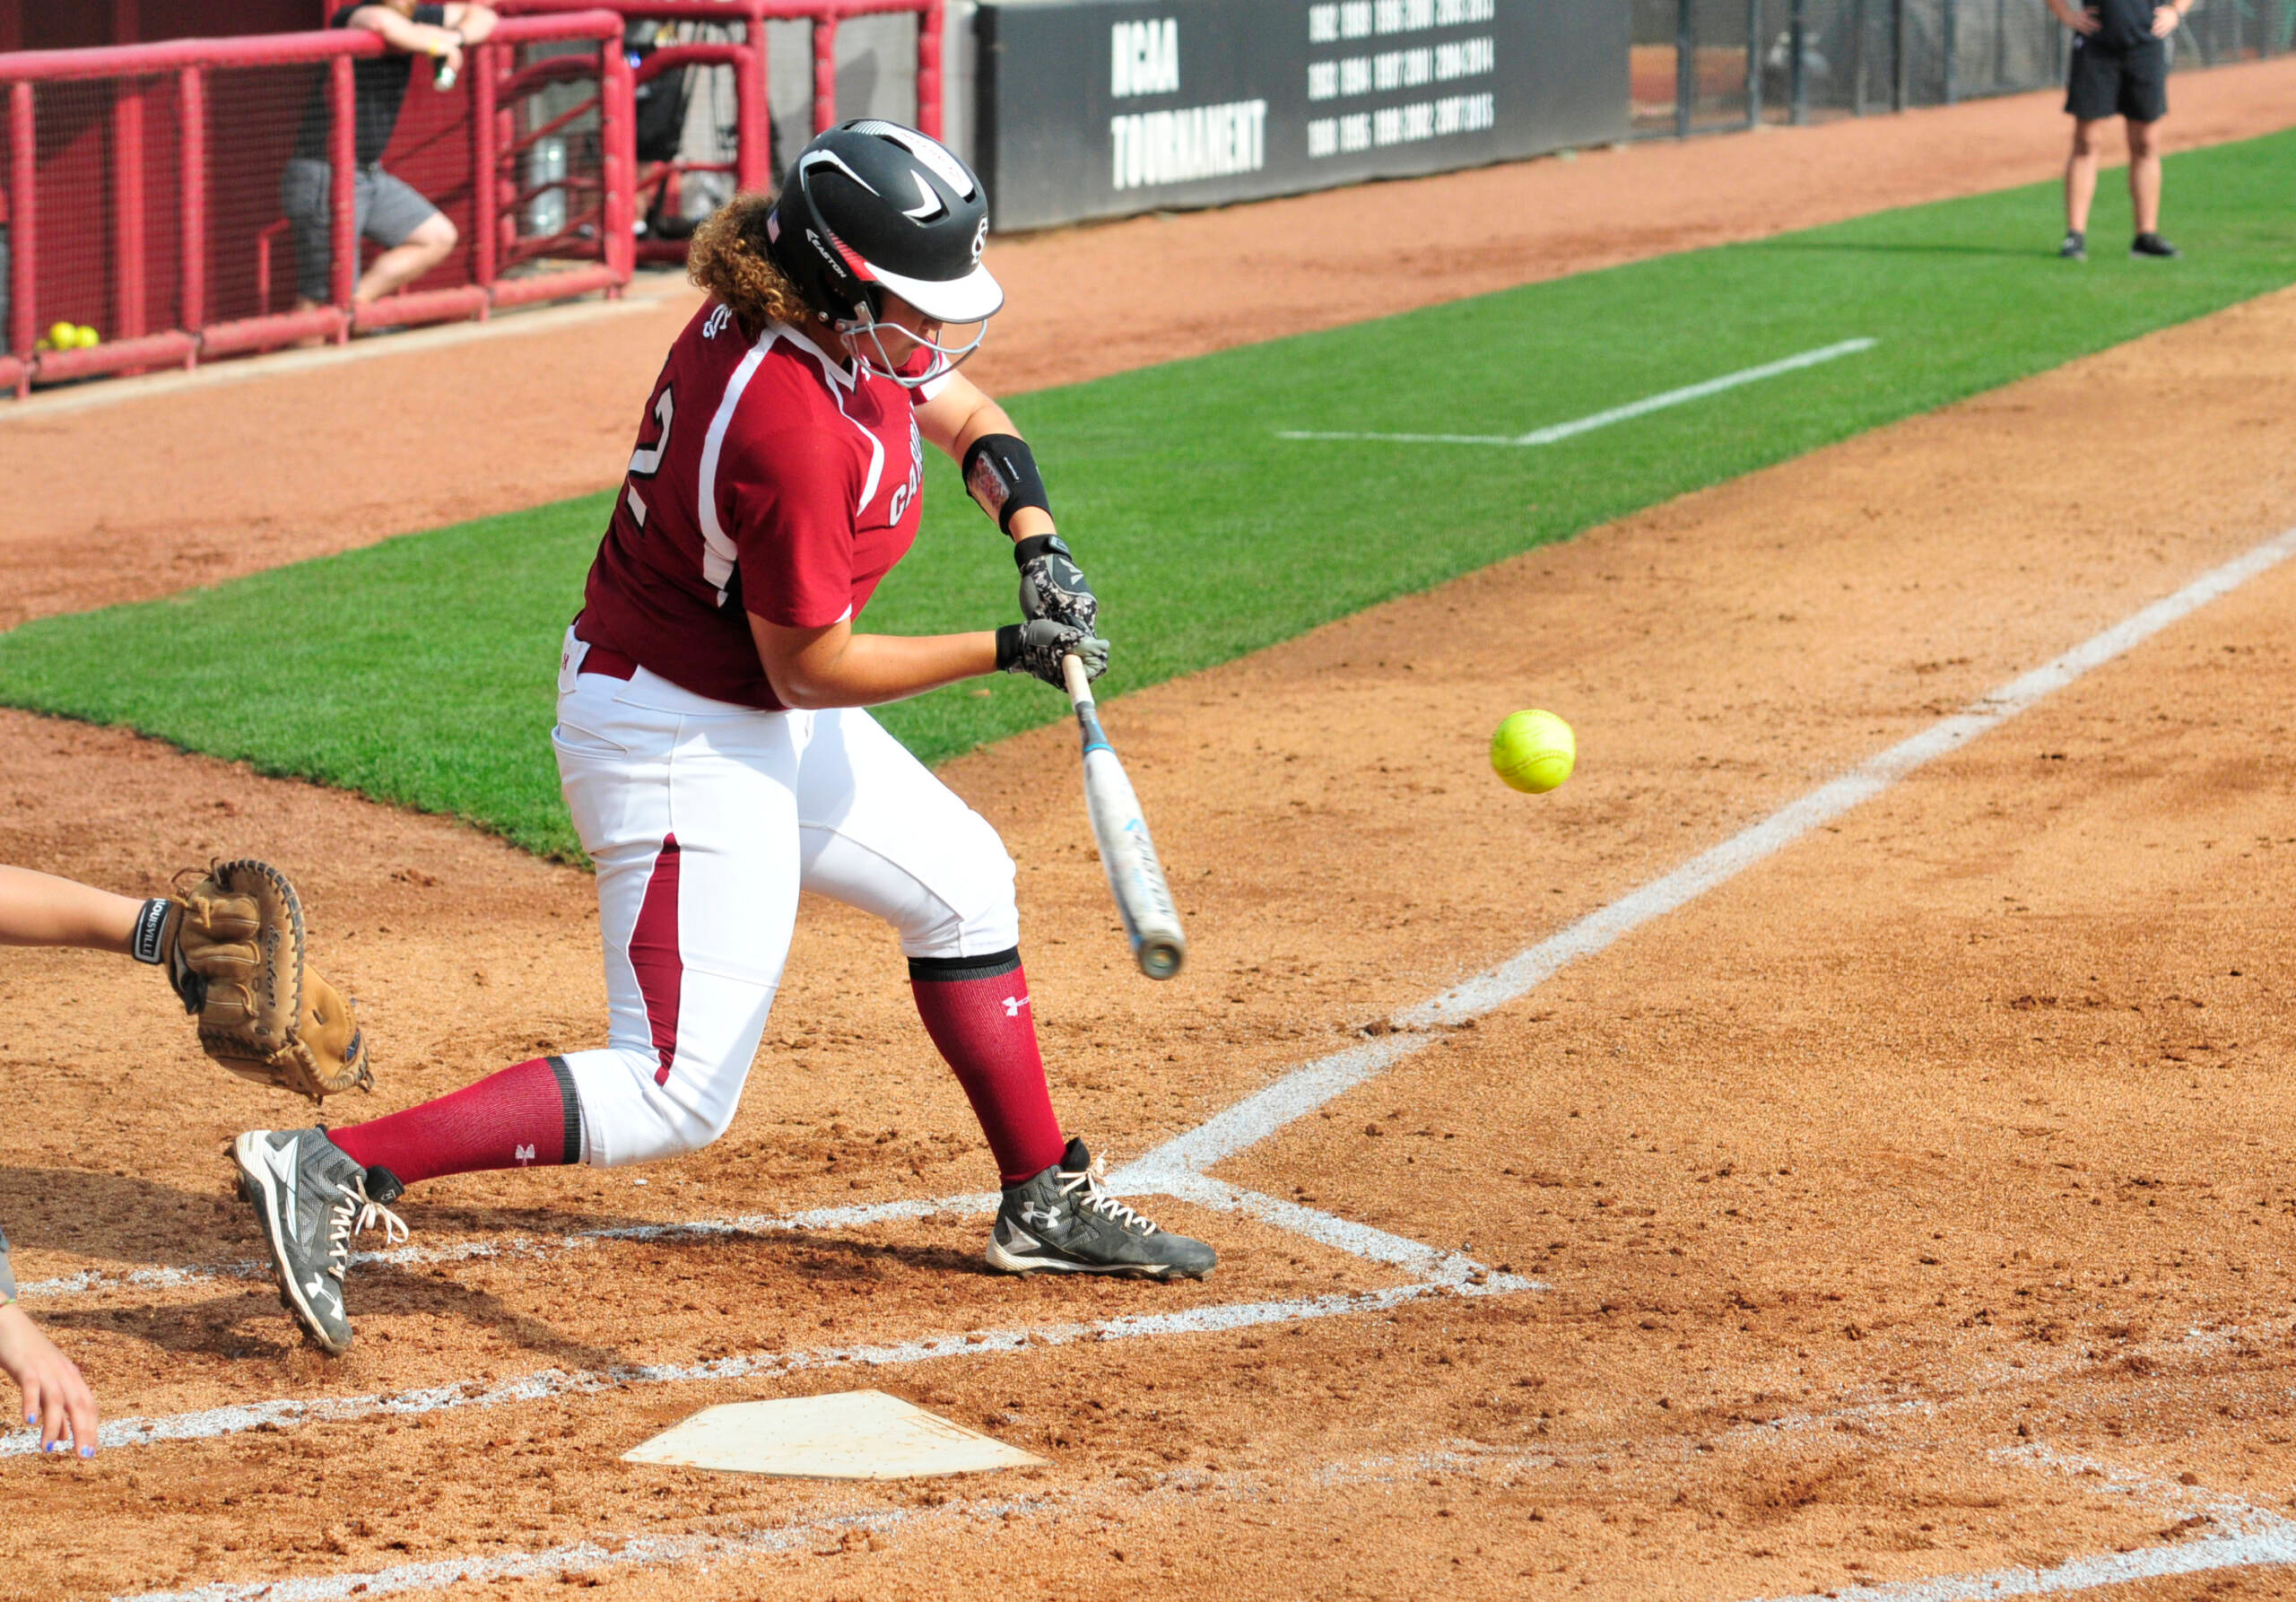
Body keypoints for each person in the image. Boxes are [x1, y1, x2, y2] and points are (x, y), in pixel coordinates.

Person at [230, 121, 1218, 1359]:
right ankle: (329, 1163)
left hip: (734, 709)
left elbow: (961, 408)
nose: (935, 328)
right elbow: (810, 670)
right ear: (845, 286)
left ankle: (1040, 1199)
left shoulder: (822, 319)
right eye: (914, 302)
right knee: (677, 1089)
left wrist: (1035, 535)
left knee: (964, 882)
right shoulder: (789, 426)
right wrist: (1005, 648)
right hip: (674, 734)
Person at [282, 1, 500, 310]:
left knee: (436, 237)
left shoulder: (418, 17)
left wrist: (455, 39)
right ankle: (308, 349)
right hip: (325, 174)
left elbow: (484, 16)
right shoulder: (355, 14)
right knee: (319, 296)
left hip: (369, 173)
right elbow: (382, 23)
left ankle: (353, 306)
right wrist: (438, 43)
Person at [2048, 0, 2186, 260]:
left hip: (2146, 44)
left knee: (2146, 142)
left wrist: (2176, 10)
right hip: (2096, 46)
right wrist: (2065, 14)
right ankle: (2075, 236)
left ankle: (2145, 236)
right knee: (2087, 141)